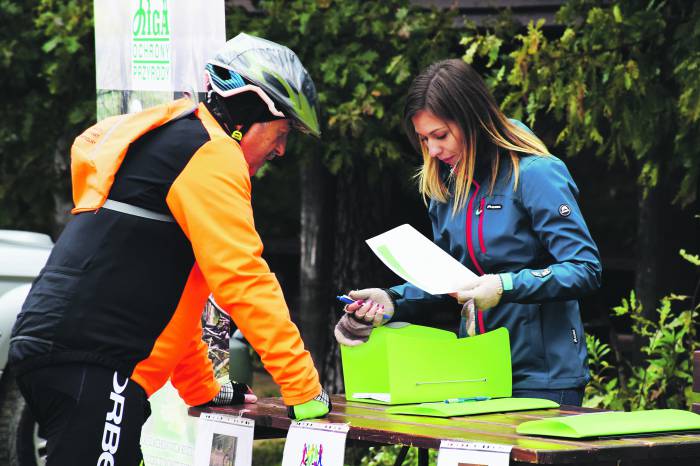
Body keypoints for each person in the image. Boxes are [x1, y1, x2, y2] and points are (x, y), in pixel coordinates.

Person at [9, 33, 330, 465]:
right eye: (282, 130)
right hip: (95, 362)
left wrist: (202, 388)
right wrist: (303, 386)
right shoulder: (212, 154)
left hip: (64, 352)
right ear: (254, 110)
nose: (280, 148)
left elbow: (175, 299)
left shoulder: (175, 144)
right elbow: (244, 279)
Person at [334, 58, 601, 406]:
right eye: (423, 138)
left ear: (473, 120)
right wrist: (393, 300)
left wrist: (505, 286)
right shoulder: (444, 186)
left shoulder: (536, 174)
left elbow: (585, 268)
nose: (432, 150)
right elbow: (450, 281)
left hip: (543, 380)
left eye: (440, 135)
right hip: (472, 374)